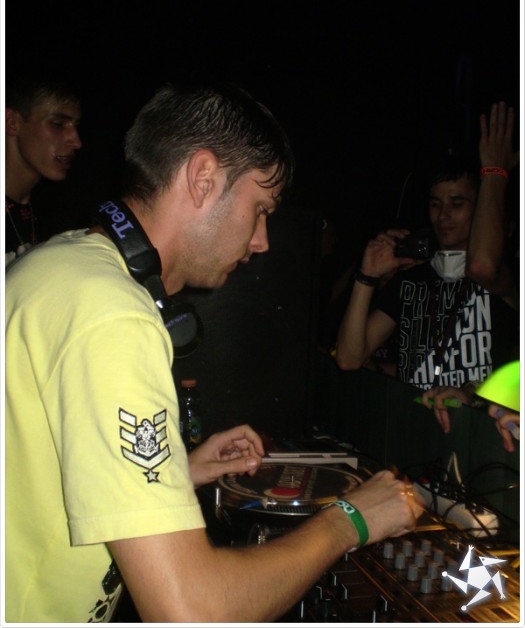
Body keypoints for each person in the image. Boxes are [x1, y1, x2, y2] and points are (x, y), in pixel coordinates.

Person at [5, 80, 423, 623]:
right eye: (260, 208)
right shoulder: (111, 315)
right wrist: (350, 519)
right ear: (203, 177)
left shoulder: (67, 262)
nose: (262, 241)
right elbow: (191, 610)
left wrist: (177, 470)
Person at [335, 101, 519, 435]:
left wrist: (494, 172)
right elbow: (349, 359)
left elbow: (482, 266)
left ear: (481, 209)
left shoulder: (505, 277)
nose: (443, 215)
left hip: (480, 438)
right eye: (436, 204)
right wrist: (366, 276)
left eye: (457, 203)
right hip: (414, 434)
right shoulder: (414, 280)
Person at [4, 72, 82, 265]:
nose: (76, 141)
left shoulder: (52, 212)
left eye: (75, 126)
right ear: (12, 122)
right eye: (58, 124)